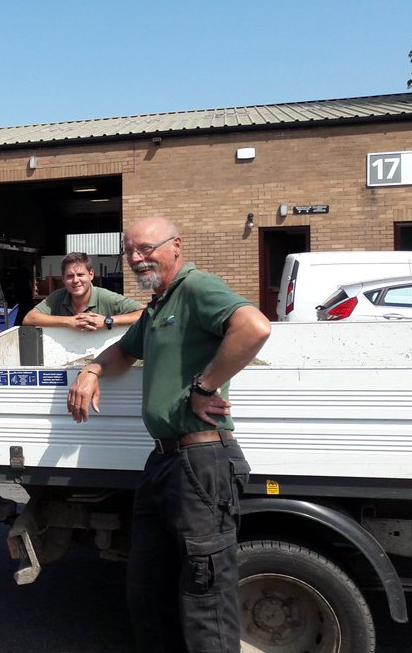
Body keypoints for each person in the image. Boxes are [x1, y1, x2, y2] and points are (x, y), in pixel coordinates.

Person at [66, 218, 271, 652]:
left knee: (205, 595)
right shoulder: (160, 304)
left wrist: (204, 386)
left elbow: (254, 327)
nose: (137, 258)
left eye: (146, 248)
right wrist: (92, 369)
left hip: (201, 461)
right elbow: (124, 348)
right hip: (164, 462)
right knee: (148, 589)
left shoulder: (197, 288)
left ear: (175, 246)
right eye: (130, 252)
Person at [22, 251, 144, 331]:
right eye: (70, 276)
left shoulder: (106, 297)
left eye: (80, 274)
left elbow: (145, 313)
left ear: (91, 275)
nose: (75, 280)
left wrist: (108, 320)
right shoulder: (57, 297)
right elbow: (29, 319)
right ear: (63, 278)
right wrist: (68, 321)